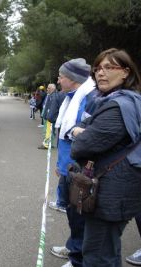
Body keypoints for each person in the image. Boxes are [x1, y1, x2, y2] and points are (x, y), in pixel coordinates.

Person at [70, 48, 141, 266]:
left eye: (109, 67)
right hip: (122, 188)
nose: (101, 73)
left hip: (112, 193)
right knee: (106, 250)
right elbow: (87, 127)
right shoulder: (127, 100)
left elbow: (82, 147)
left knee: (98, 256)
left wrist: (77, 133)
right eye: (98, 68)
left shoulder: (118, 106)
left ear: (125, 72)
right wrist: (82, 129)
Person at [49, 58, 96, 267]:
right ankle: (74, 248)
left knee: (79, 215)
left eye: (61, 76)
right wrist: (61, 166)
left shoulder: (89, 98)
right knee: (72, 213)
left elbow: (86, 136)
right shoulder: (72, 97)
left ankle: (79, 258)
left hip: (80, 169)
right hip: (69, 166)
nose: (58, 80)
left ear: (73, 78)